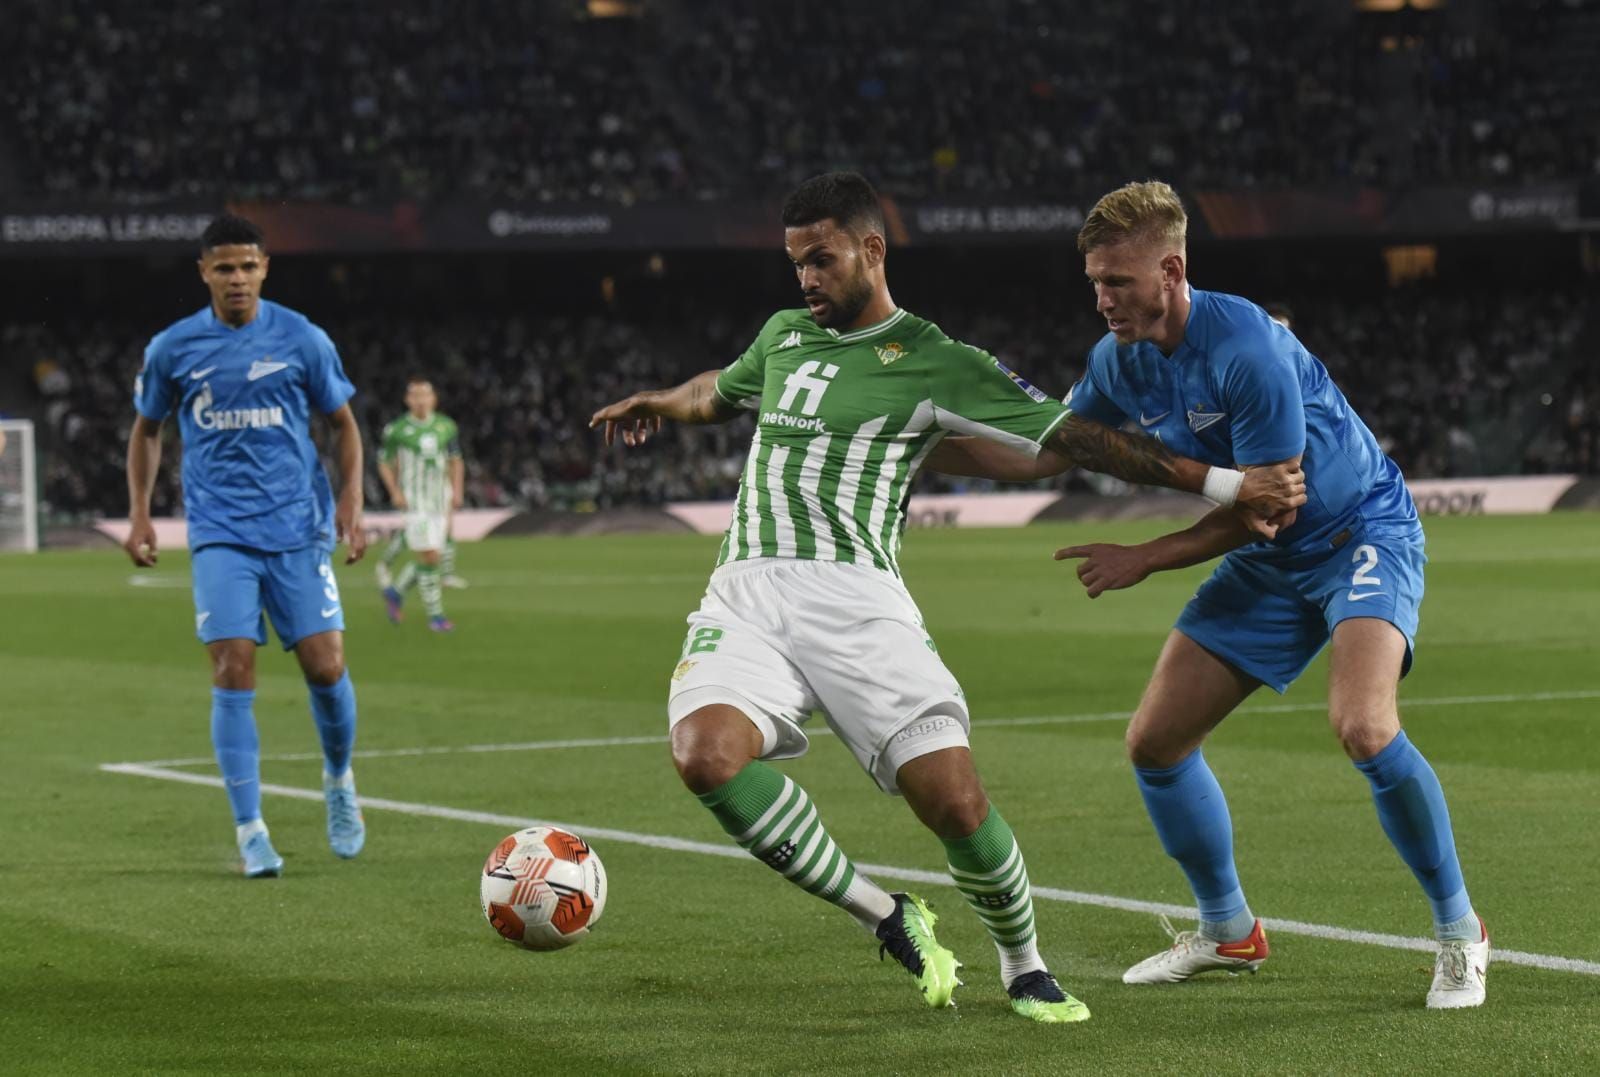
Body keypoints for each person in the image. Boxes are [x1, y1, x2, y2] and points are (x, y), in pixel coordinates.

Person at [589, 172, 1304, 1023]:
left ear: (872, 250)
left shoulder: (937, 359)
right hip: (745, 589)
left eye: (821, 260)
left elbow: (1077, 439)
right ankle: (888, 915)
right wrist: (661, 403)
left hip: (857, 599)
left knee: (955, 801)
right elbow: (723, 389)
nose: (806, 280)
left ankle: (1024, 964)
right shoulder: (783, 335)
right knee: (704, 753)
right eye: (796, 265)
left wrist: (1228, 483)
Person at [932, 180, 1487, 1009]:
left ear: (1172, 269)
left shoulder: (1246, 350)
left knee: (1364, 726)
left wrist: (1146, 556)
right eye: (1094, 280)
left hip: (1357, 534)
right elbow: (1050, 453)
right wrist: (912, 450)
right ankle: (1228, 929)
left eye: (1118, 281)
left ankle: (1460, 931)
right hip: (1274, 564)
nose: (1102, 298)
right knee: (1156, 742)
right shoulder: (1117, 359)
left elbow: (1270, 504)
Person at [125, 214, 368, 878]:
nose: (237, 278)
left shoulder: (301, 337)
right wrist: (141, 513)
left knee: (325, 666)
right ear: (203, 271)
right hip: (220, 533)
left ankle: (340, 780)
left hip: (296, 528)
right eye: (224, 267)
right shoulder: (173, 348)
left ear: (265, 268)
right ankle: (251, 828)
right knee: (232, 667)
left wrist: (352, 498)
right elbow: (146, 430)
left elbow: (343, 423)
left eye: (248, 265)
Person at [376, 376, 465, 632]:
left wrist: (457, 490)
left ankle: (395, 592)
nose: (420, 400)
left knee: (431, 557)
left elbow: (456, 460)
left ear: (433, 398)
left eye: (425, 394)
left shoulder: (446, 426)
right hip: (415, 502)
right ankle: (436, 616)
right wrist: (394, 491)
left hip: (440, 500)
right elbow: (384, 461)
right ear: (407, 400)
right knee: (429, 555)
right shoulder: (397, 430)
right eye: (415, 395)